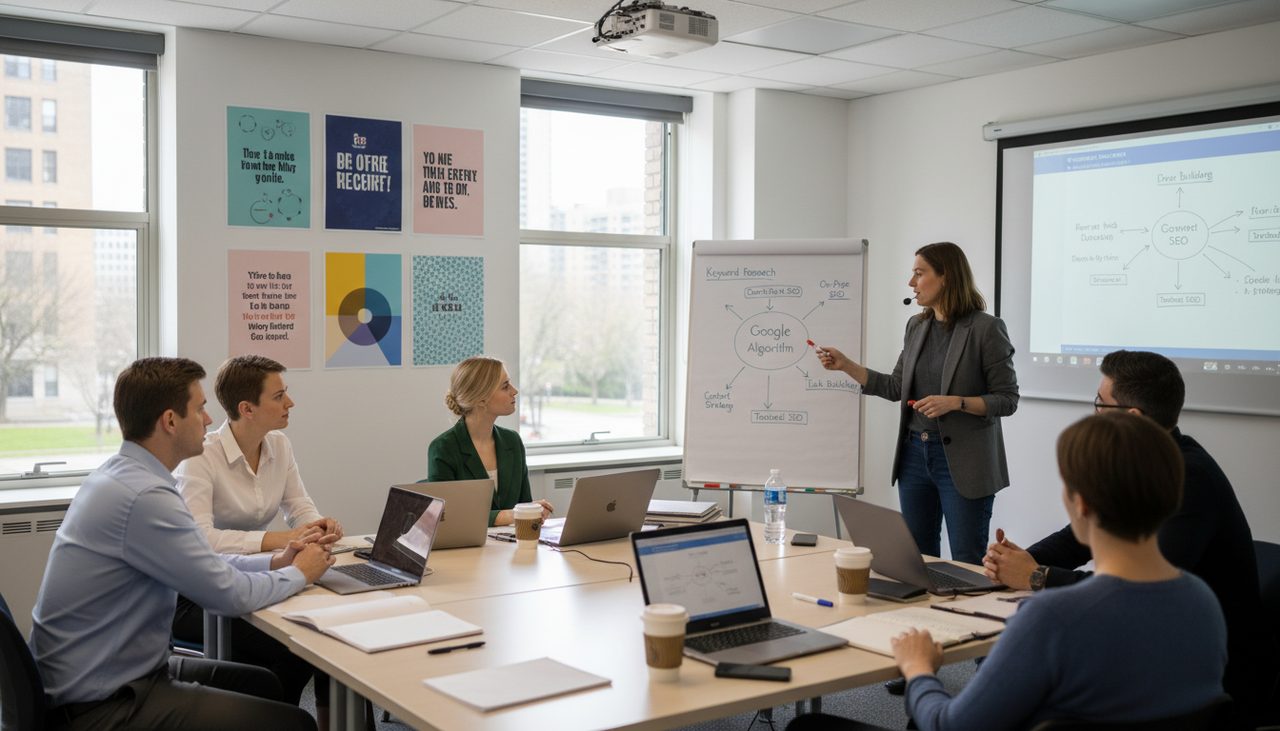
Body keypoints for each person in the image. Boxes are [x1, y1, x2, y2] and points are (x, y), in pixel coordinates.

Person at [791, 412, 1228, 731]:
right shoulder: (1203, 602)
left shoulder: (1053, 619)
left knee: (808, 729)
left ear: (1081, 504)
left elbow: (948, 725)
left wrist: (919, 670)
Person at [29, 357, 333, 731]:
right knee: (293, 724)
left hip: (111, 672)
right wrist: (299, 574)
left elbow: (204, 559)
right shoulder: (145, 497)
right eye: (201, 409)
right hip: (103, 701)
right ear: (170, 421)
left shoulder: (124, 475)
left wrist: (274, 563)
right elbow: (228, 595)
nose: (209, 420)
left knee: (262, 684)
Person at [983, 349, 1277, 725]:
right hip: (1161, 644)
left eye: (1100, 404)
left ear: (1132, 418)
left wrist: (1036, 576)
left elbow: (1134, 592)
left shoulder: (1190, 477)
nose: (1094, 413)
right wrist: (1022, 558)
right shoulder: (1146, 461)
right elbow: (1087, 532)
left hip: (1208, 669)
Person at [818, 242, 1018, 564]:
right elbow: (896, 386)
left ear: (946, 276)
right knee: (918, 558)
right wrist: (847, 366)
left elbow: (1007, 399)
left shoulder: (985, 329)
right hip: (914, 456)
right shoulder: (917, 326)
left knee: (967, 558)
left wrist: (956, 403)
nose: (911, 283)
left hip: (963, 462)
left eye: (919, 273)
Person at [172, 355, 343, 722]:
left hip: (254, 575)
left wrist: (317, 529)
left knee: (327, 633)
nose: (290, 403)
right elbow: (200, 538)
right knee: (296, 647)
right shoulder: (200, 457)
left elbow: (299, 505)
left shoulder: (279, 445)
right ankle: (276, 719)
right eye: (279, 396)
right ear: (247, 408)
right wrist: (278, 539)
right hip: (192, 594)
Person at [427, 355, 551, 526]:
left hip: (511, 546)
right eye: (505, 386)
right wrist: (511, 515)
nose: (514, 391)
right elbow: (445, 517)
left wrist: (533, 511)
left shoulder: (512, 441)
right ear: (481, 398)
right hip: (466, 549)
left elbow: (523, 505)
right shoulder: (444, 448)